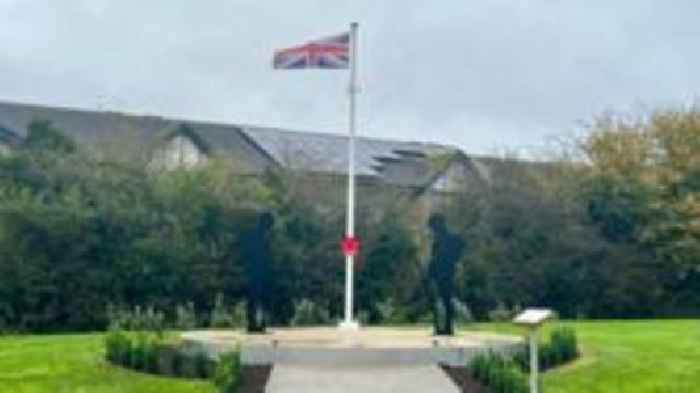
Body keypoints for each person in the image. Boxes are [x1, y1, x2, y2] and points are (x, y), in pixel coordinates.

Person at [427, 213, 464, 336]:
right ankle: (440, 326)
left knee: (446, 300)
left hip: (446, 272)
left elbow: (456, 252)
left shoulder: (451, 239)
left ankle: (447, 326)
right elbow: (434, 258)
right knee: (440, 300)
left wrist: (454, 263)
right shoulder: (439, 240)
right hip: (439, 273)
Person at [242, 212, 274, 333]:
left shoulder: (255, 235)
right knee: (256, 299)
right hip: (256, 273)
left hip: (254, 272)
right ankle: (254, 323)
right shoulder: (259, 237)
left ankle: (255, 323)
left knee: (255, 300)